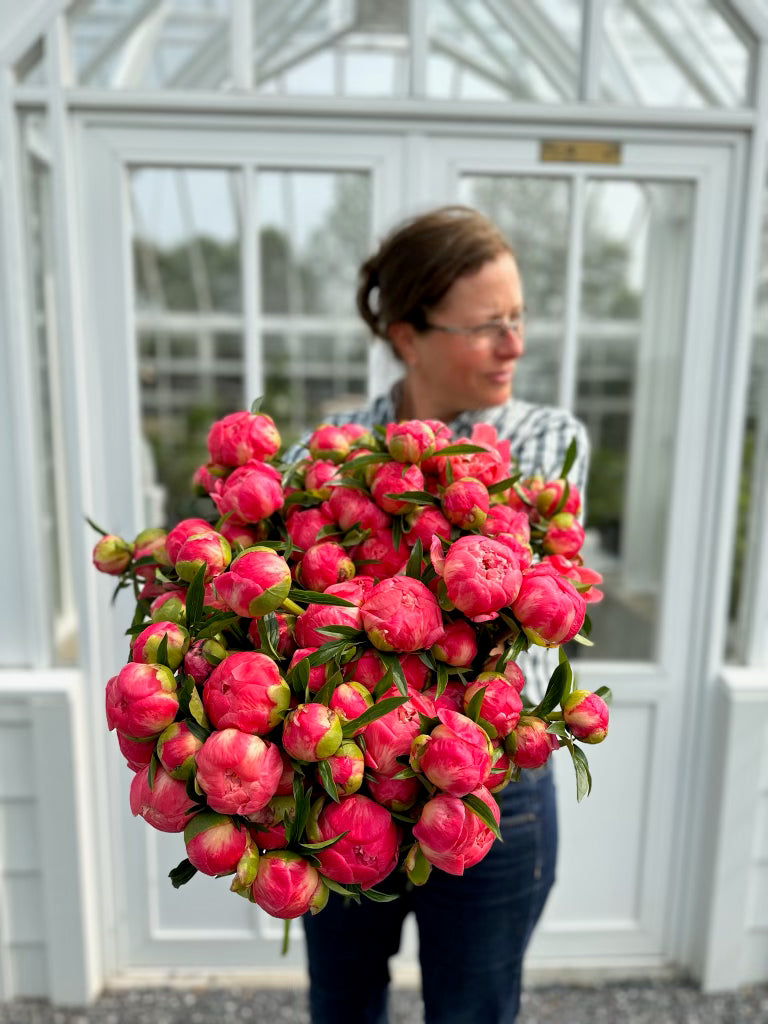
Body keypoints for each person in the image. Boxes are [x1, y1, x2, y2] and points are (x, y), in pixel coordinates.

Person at [301, 205, 590, 1024]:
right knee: (343, 1003)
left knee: (474, 1008)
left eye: (518, 318)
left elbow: (522, 628)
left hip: (494, 785)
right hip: (346, 783)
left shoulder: (542, 442)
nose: (515, 346)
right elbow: (297, 638)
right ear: (407, 335)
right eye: (486, 326)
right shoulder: (330, 449)